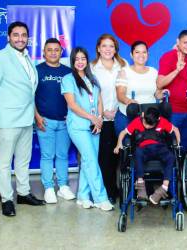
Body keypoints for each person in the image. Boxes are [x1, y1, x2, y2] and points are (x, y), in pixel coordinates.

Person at [0, 21, 44, 217]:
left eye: (23, 35)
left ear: (27, 38)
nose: (20, 38)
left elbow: (28, 89)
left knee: (23, 160)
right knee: (4, 162)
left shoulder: (26, 58)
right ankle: (6, 199)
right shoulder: (0, 58)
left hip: (26, 119)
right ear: (8, 37)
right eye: (16, 35)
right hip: (8, 119)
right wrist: (2, 108)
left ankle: (24, 193)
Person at [61, 47, 113, 211]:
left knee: (87, 161)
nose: (80, 61)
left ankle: (83, 196)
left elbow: (98, 100)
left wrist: (99, 121)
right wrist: (92, 118)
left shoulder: (93, 78)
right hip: (78, 125)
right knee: (91, 160)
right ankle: (100, 198)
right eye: (77, 59)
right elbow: (73, 105)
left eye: (83, 58)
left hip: (94, 126)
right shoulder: (68, 79)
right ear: (73, 61)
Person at [35, 38, 75, 204]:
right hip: (45, 121)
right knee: (46, 155)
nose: (53, 52)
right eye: (49, 49)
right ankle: (49, 188)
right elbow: (30, 97)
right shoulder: (36, 70)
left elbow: (75, 97)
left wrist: (72, 115)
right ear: (44, 52)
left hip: (65, 123)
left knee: (62, 155)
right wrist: (36, 116)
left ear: (61, 52)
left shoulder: (68, 72)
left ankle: (63, 187)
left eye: (56, 50)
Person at [114, 106, 181, 204]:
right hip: (143, 149)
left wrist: (178, 144)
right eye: (145, 123)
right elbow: (123, 133)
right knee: (137, 153)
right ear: (143, 115)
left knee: (171, 157)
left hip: (159, 147)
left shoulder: (161, 121)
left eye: (150, 125)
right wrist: (118, 144)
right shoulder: (137, 121)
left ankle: (164, 187)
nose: (147, 126)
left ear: (157, 120)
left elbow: (176, 129)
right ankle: (140, 184)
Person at [91, 34, 127, 204]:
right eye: (104, 46)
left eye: (111, 46)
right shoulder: (91, 68)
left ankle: (121, 189)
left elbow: (127, 90)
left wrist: (118, 110)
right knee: (104, 158)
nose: (107, 49)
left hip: (121, 117)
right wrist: (103, 111)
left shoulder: (123, 65)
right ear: (98, 48)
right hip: (101, 119)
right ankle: (108, 192)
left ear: (115, 49)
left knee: (120, 156)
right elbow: (89, 94)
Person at [115, 40, 166, 136]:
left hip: (149, 118)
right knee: (127, 148)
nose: (141, 55)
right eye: (137, 52)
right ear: (131, 55)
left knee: (148, 147)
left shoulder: (153, 71)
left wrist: (162, 93)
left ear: (148, 54)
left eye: (144, 52)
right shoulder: (124, 72)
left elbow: (156, 94)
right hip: (127, 116)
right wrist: (129, 101)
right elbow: (120, 94)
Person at [157, 30, 187, 152]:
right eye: (185, 42)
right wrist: (177, 70)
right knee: (171, 149)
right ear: (178, 42)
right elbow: (159, 83)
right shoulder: (168, 57)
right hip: (173, 112)